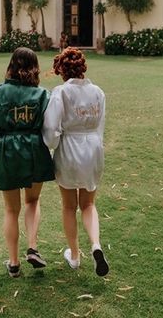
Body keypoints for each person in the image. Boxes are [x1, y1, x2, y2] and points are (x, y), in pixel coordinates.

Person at [0, 47, 55, 278]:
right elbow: (50, 129)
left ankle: (13, 263)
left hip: (8, 151)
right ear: (35, 68)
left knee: (11, 210)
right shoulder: (43, 94)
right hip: (34, 150)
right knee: (32, 201)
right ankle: (32, 247)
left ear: (11, 65)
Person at [42, 47, 109, 276]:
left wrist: (52, 144)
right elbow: (100, 125)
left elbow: (51, 128)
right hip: (93, 148)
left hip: (70, 148)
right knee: (89, 204)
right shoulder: (98, 92)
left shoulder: (61, 92)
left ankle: (75, 255)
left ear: (62, 70)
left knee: (69, 206)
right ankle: (96, 245)